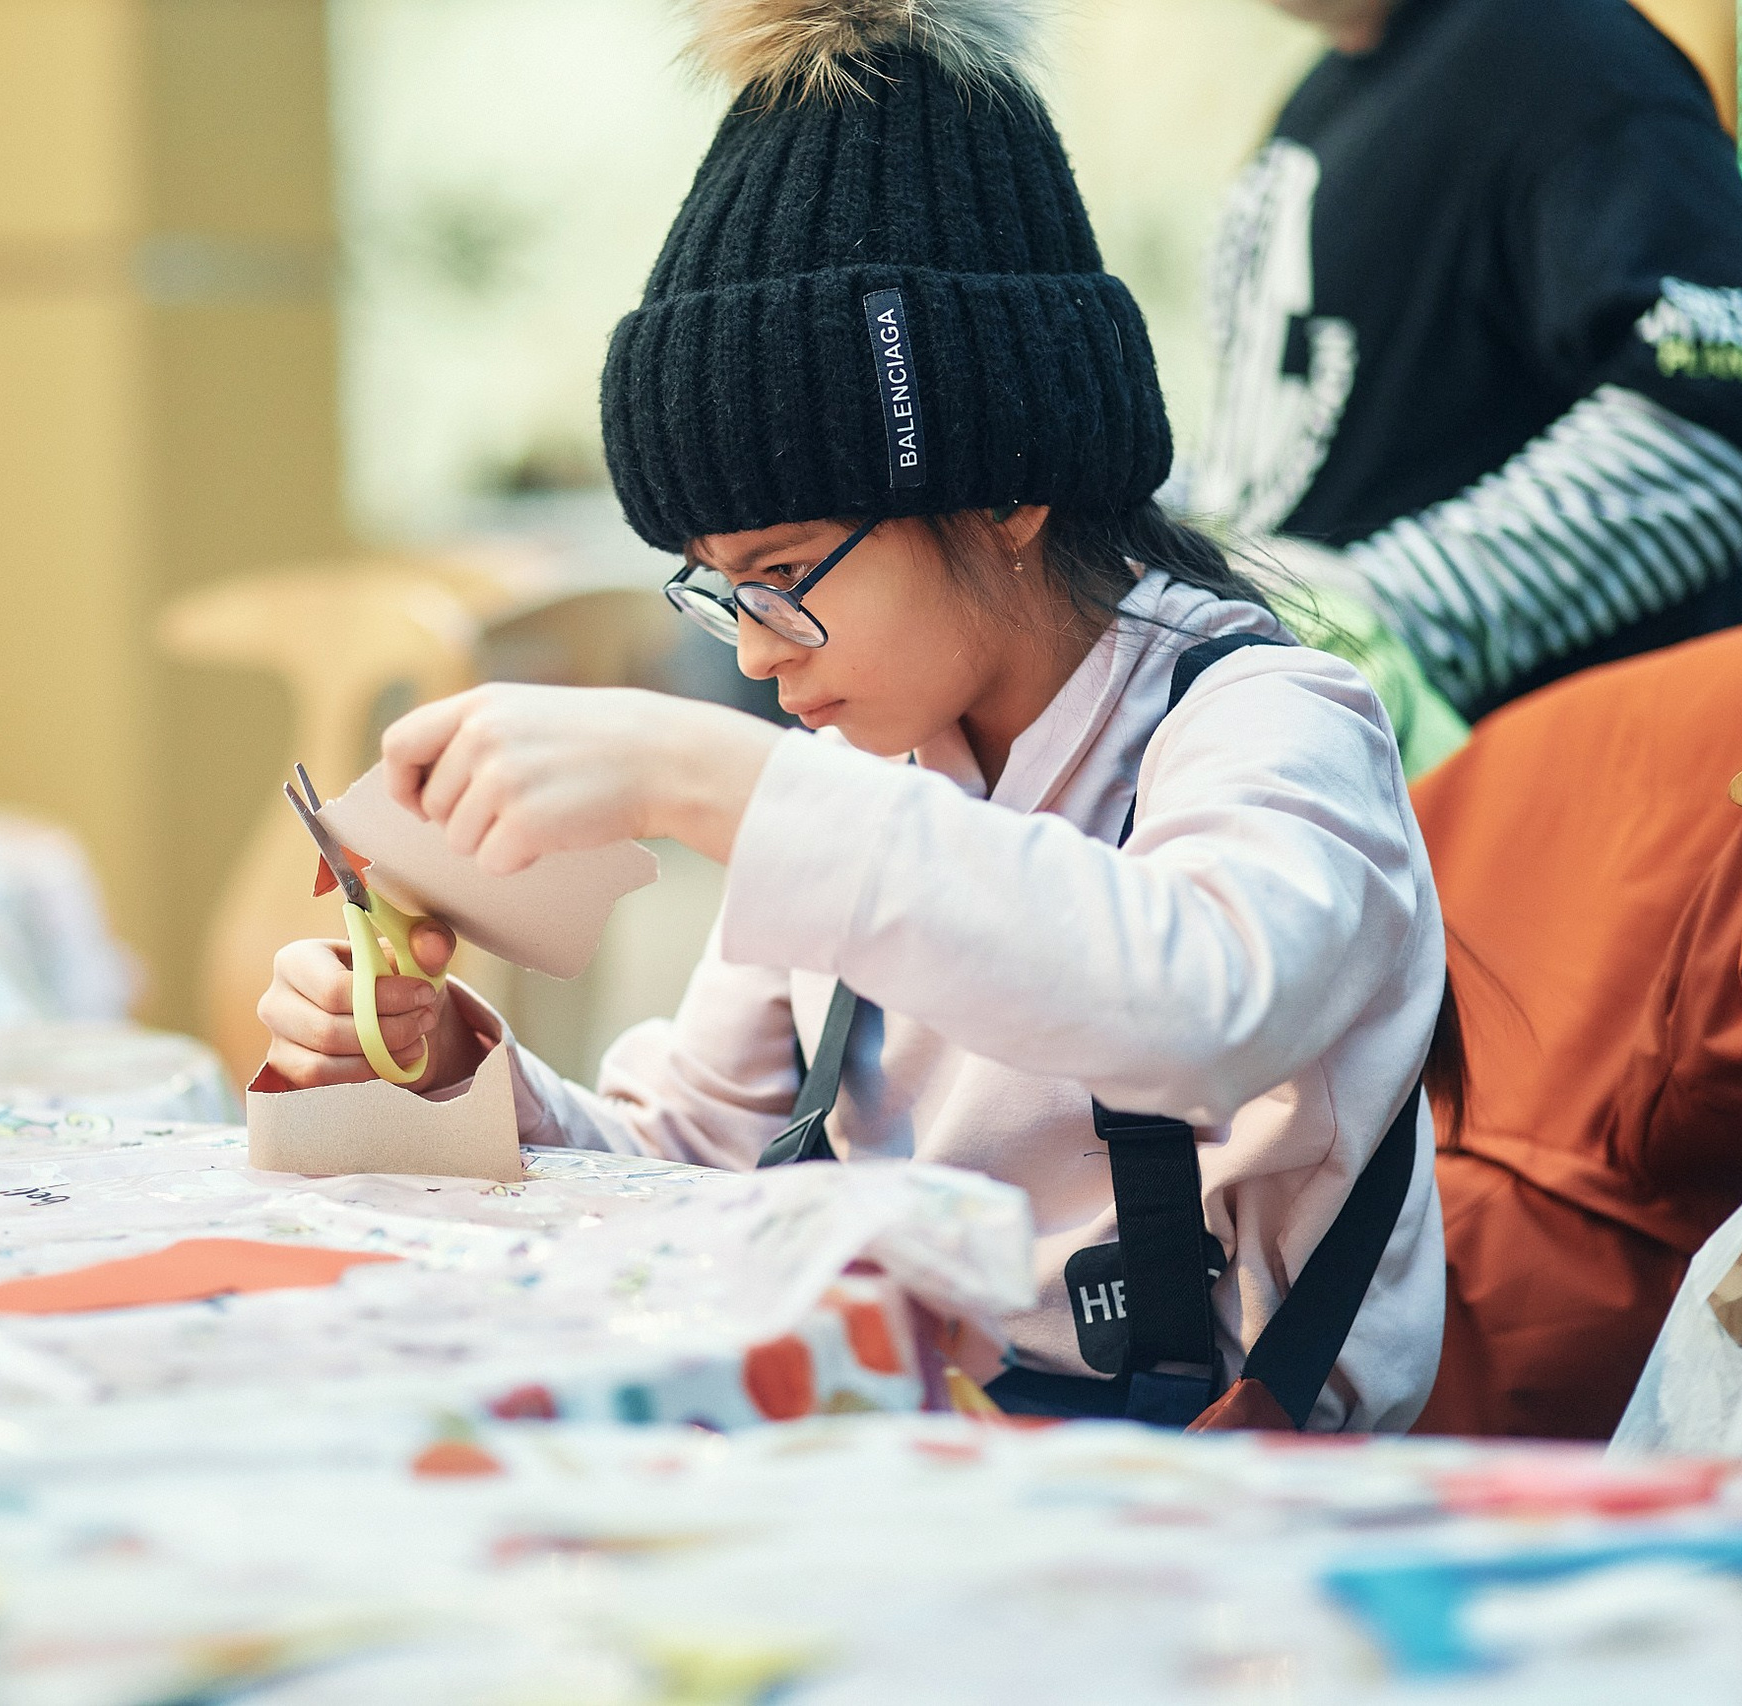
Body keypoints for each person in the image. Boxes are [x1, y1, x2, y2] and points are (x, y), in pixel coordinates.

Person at [259, 0, 1455, 1432]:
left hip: (1233, 1525)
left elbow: (1199, 1001)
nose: (760, 661)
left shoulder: (1265, 717)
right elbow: (687, 1160)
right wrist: (459, 1070)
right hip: (914, 1462)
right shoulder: (866, 766)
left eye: (781, 578)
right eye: (715, 593)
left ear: (1010, 484)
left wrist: (713, 776)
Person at [1190, 0, 1742, 726]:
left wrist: (1370, 616)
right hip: (1354, 770)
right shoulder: (1324, 97)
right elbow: (1281, 448)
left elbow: (1722, 426)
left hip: (1574, 801)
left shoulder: (1569, 50)